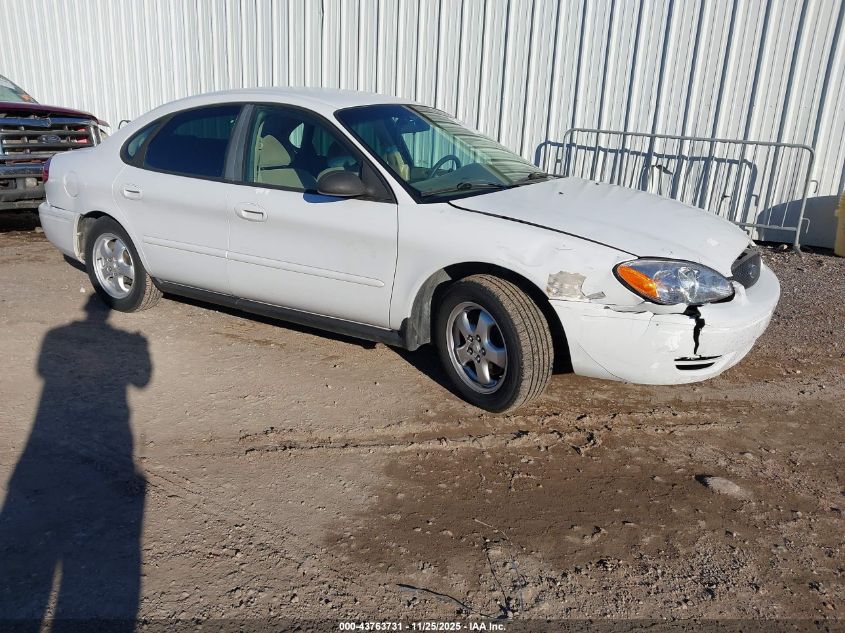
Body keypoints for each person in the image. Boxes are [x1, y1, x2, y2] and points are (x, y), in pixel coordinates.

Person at [0, 295, 151, 631]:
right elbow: (142, 381)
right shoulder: (125, 340)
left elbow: (42, 370)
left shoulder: (55, 335)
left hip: (51, 430)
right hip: (113, 429)